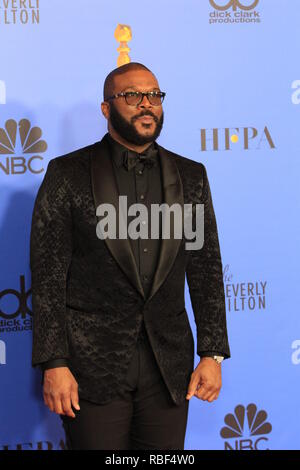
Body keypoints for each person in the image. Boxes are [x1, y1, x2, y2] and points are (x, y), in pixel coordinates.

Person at [30, 62, 231, 450]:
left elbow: (206, 269)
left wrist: (212, 353)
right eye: (132, 95)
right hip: (91, 366)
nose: (146, 104)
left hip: (168, 368)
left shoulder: (192, 176)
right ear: (107, 108)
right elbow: (48, 274)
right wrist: (54, 362)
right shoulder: (67, 173)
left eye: (154, 95)